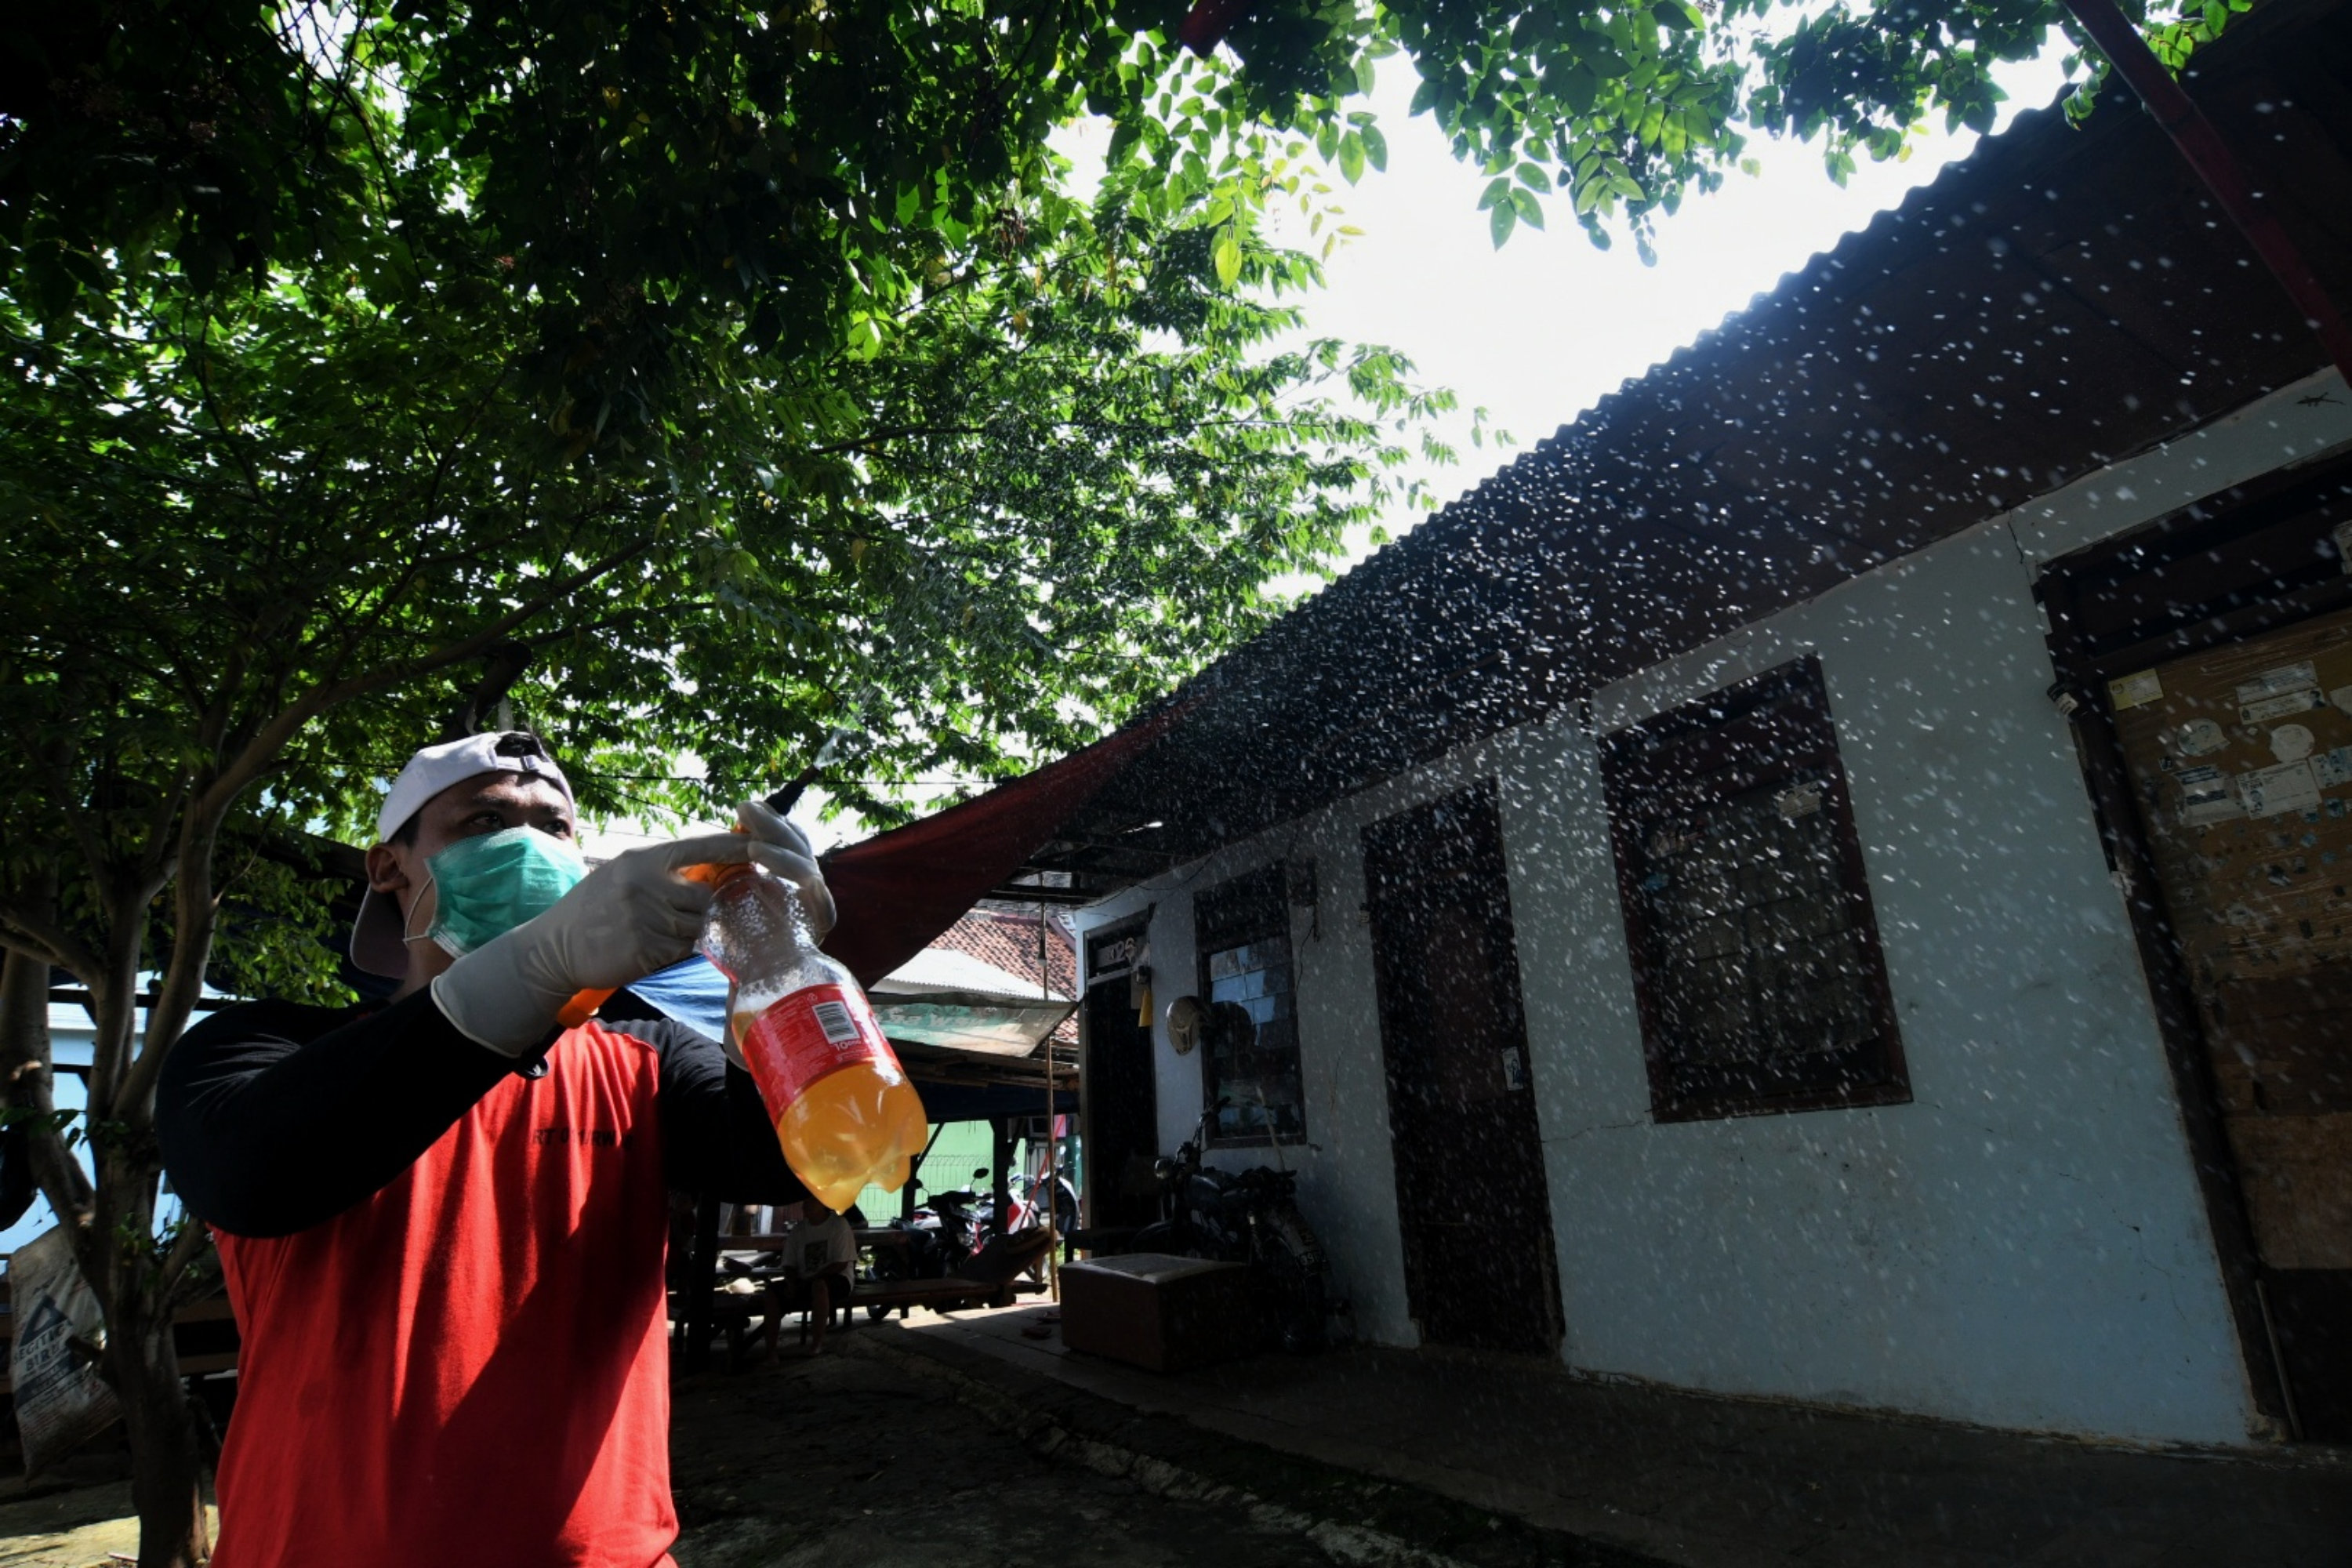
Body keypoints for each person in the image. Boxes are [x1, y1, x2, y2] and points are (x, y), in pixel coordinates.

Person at [158, 731, 825, 1568]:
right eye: (482, 820)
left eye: (555, 824)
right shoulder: (262, 1048)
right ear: (388, 866)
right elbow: (252, 1176)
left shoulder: (647, 1055)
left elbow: (785, 1165)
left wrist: (779, 973)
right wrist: (540, 966)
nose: (530, 844)